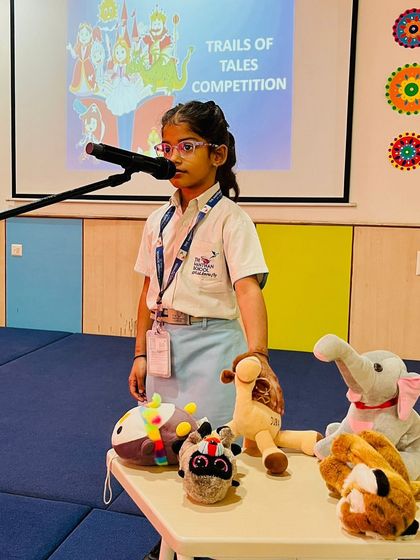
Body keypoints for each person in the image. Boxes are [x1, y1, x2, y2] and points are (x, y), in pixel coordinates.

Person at [128, 100, 270, 560]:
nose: (173, 156)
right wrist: (139, 353)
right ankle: (171, 539)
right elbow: (149, 292)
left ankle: (214, 545)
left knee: (211, 449)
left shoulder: (232, 219)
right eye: (166, 146)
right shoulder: (158, 219)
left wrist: (259, 355)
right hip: (164, 345)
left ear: (218, 154)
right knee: (165, 446)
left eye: (187, 146)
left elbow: (248, 291)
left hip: (214, 348)